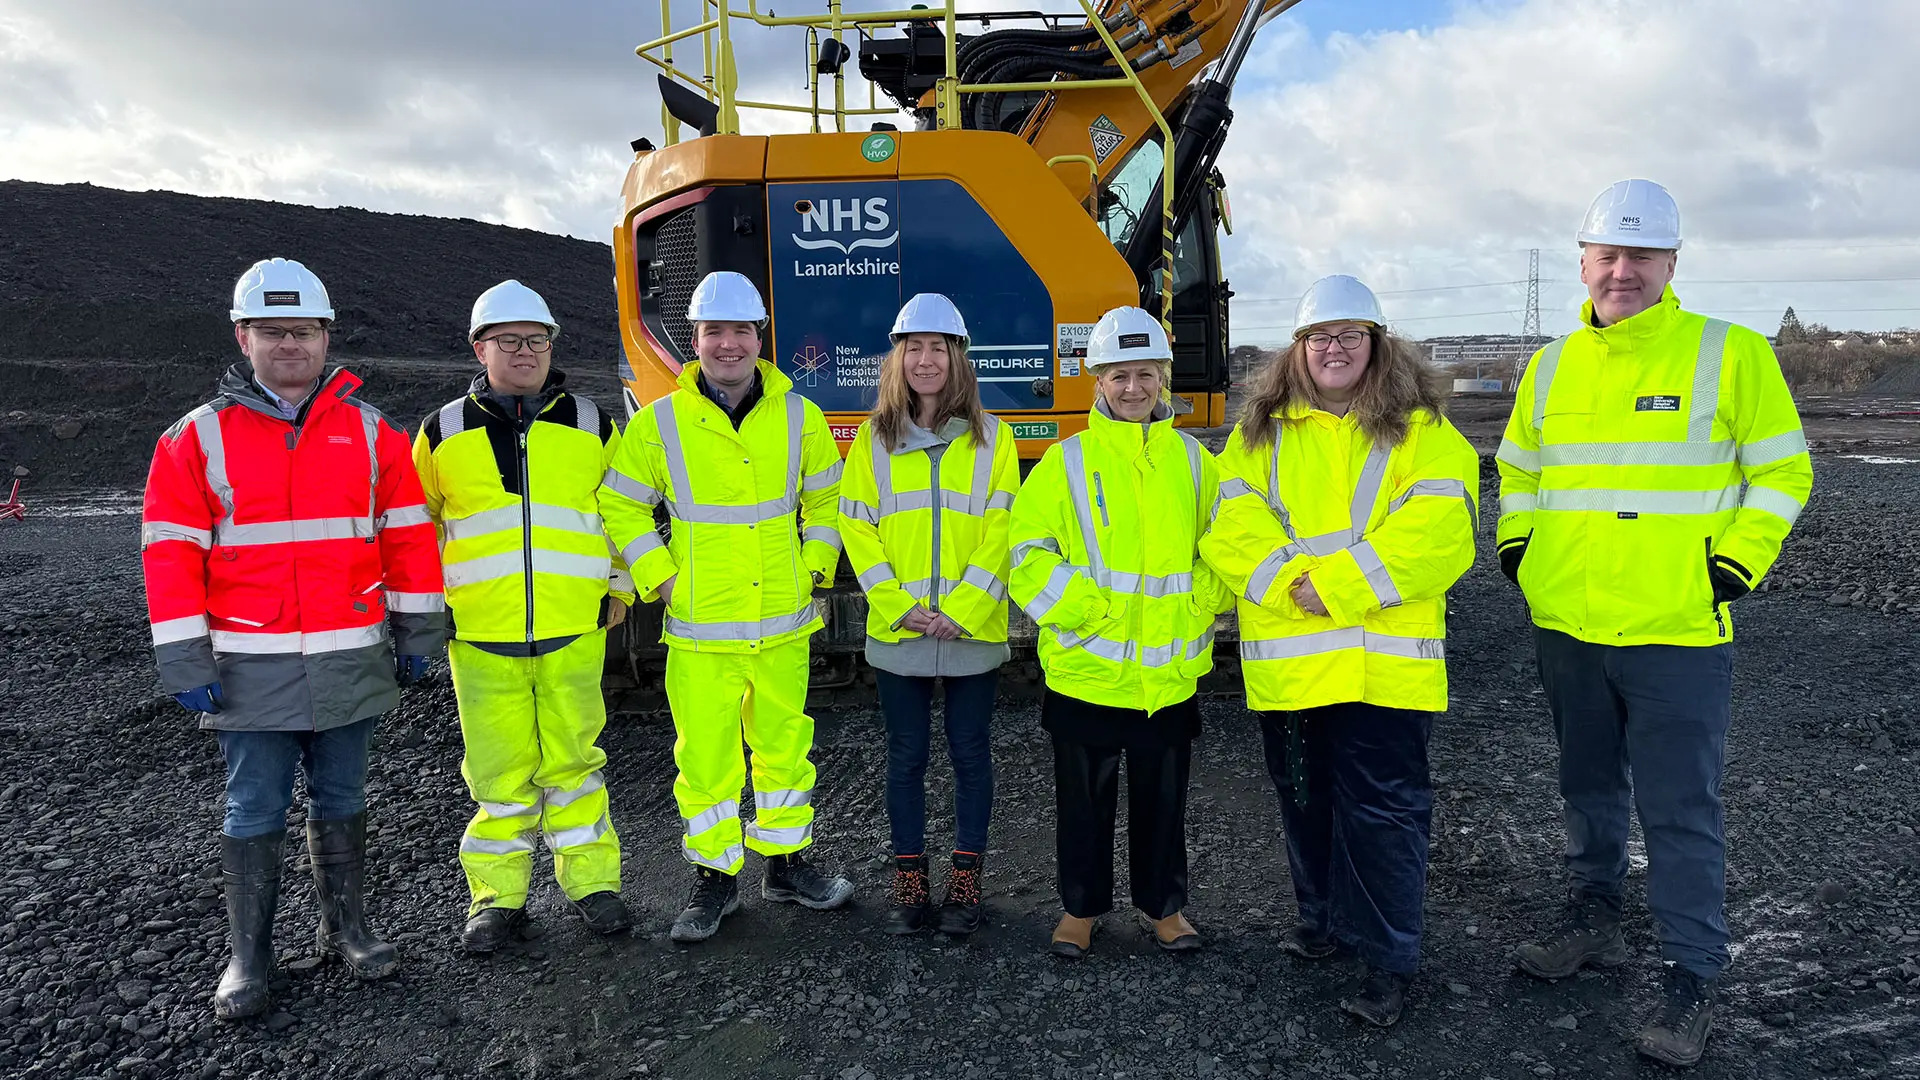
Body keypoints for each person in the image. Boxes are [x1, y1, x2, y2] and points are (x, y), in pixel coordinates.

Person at [1498, 180, 1814, 1067]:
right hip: (1569, 623)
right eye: (1608, 256)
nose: (1623, 272)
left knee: (1680, 808)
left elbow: (1785, 474)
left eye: (1642, 257)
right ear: (1585, 263)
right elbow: (1517, 469)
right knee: (1586, 787)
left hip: (1678, 628)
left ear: (1673, 264)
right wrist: (1521, 548)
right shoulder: (1551, 364)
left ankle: (1689, 975)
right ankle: (1594, 915)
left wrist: (1735, 562)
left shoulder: (1733, 353)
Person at [139, 258, 446, 1019]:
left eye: (303, 332)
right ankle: (250, 956)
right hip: (250, 667)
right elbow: (169, 552)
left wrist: (418, 632)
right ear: (243, 338)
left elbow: (408, 540)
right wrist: (184, 657)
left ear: (325, 337)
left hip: (349, 657)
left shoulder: (374, 435)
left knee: (343, 796)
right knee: (254, 808)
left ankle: (350, 930)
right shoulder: (194, 439)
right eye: (272, 332)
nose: (289, 346)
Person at [1200, 275, 1478, 1027]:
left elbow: (1441, 534)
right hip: (1293, 670)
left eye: (1350, 335)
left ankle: (1387, 963)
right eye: (1319, 337)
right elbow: (1231, 527)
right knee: (1304, 802)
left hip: (1381, 669)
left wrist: (1339, 586)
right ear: (1297, 351)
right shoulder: (1259, 435)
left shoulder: (1423, 431)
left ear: (1376, 345)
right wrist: (1295, 579)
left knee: (1384, 817)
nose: (1334, 348)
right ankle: (1320, 923)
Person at [599, 271, 854, 943]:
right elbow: (619, 502)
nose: (728, 345)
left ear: (759, 337)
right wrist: (660, 577)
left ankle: (786, 865)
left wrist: (814, 567)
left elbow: (828, 500)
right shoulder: (660, 424)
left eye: (741, 330)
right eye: (715, 332)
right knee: (707, 761)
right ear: (696, 339)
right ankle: (715, 881)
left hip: (783, 623)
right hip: (703, 628)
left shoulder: (801, 417)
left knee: (783, 750)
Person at [413, 280, 636, 953]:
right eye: (507, 341)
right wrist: (428, 607)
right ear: (479, 349)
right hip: (481, 636)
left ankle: (593, 885)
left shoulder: (595, 424)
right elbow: (412, 524)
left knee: (574, 762)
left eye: (535, 340)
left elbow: (621, 510)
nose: (523, 352)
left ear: (551, 346)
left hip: (574, 626)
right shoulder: (440, 431)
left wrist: (620, 585)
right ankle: (498, 900)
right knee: (499, 777)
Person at [1008, 305, 1231, 958]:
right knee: (1084, 804)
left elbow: (1223, 550)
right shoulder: (1064, 462)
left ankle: (1165, 910)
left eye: (1144, 374)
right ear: (1095, 380)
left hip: (1165, 676)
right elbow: (1026, 553)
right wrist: (1084, 609)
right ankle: (1080, 911)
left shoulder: (1194, 464)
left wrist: (1197, 606)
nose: (1132, 389)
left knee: (1163, 805)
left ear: (1164, 377)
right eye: (1117, 376)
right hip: (1086, 671)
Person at [838, 294, 1020, 936]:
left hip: (969, 630)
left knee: (971, 754)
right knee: (906, 755)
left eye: (938, 347)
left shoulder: (992, 438)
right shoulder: (873, 439)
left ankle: (965, 880)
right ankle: (910, 880)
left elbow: (1004, 529)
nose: (925, 359)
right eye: (913, 347)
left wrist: (964, 609)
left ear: (957, 358)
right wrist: (900, 607)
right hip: (902, 628)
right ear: (898, 358)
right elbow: (857, 530)